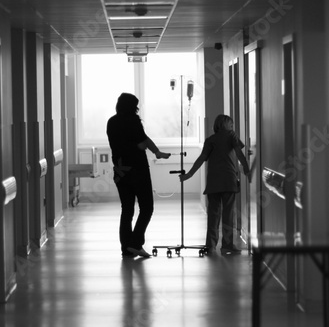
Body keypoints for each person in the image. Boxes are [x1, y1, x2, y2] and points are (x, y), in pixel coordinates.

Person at [106, 92, 170, 258]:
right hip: (138, 170)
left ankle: (126, 248)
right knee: (147, 207)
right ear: (132, 106)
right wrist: (152, 150)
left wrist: (156, 151)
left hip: (120, 171)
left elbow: (140, 138)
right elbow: (141, 144)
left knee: (127, 210)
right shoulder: (133, 121)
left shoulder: (111, 122)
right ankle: (135, 243)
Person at [179, 114, 251, 254]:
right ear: (225, 125)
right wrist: (247, 170)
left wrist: (189, 174)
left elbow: (201, 159)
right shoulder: (232, 136)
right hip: (228, 180)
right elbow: (240, 154)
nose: (232, 127)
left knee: (213, 214)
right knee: (228, 214)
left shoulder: (210, 140)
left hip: (213, 181)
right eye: (231, 124)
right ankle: (227, 246)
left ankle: (210, 246)